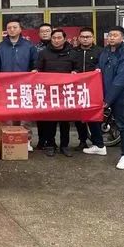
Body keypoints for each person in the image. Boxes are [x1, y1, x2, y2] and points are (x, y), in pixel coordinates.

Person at [0, 19, 38, 151]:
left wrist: (34, 71)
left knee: (25, 115)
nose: (12, 30)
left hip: (24, 86)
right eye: (9, 28)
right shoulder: (0, 47)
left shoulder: (29, 46)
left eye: (15, 27)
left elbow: (35, 64)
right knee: (7, 115)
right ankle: (8, 138)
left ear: (20, 29)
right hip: (6, 86)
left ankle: (26, 140)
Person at [93, 26, 124, 169]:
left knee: (122, 125)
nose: (111, 37)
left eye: (115, 35)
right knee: (95, 119)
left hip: (118, 96)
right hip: (103, 93)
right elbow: (100, 66)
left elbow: (120, 81)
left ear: (122, 38)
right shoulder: (105, 51)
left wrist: (108, 100)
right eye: (110, 35)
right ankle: (99, 146)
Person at [36, 29, 78, 157]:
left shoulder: (72, 53)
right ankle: (50, 144)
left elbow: (77, 68)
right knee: (50, 121)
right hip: (50, 92)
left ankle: (64, 145)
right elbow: (39, 69)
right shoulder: (43, 53)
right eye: (54, 38)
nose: (56, 40)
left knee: (65, 121)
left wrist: (75, 72)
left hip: (66, 92)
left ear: (64, 39)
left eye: (59, 38)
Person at [72, 27, 105, 151]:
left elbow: (103, 66)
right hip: (77, 89)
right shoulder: (73, 51)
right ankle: (82, 141)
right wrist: (73, 71)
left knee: (93, 116)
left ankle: (98, 143)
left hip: (93, 89)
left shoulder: (100, 51)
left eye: (88, 37)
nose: (85, 39)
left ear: (93, 38)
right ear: (79, 38)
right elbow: (70, 65)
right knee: (78, 117)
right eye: (82, 37)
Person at [34, 23, 53, 148]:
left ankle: (51, 141)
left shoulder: (59, 46)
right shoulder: (35, 48)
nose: (45, 33)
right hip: (39, 86)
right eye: (42, 31)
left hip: (55, 86)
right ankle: (41, 140)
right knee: (40, 114)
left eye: (47, 31)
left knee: (53, 116)